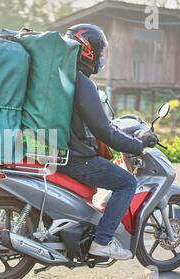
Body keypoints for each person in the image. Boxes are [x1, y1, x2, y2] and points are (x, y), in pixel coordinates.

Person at [61, 24, 158, 260]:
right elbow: (104, 130)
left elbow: (97, 124)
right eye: (100, 52)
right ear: (88, 52)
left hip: (62, 154)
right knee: (126, 182)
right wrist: (138, 145)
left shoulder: (63, 78)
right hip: (79, 160)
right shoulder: (83, 83)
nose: (102, 58)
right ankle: (102, 241)